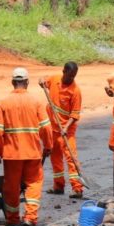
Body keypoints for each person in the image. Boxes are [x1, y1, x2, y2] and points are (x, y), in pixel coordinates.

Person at [0, 67, 53, 226]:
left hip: (11, 155)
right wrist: (48, 146)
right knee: (34, 183)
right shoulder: (37, 102)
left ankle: (12, 219)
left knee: (11, 187)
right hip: (33, 153)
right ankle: (30, 218)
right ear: (27, 82)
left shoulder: (3, 103)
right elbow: (46, 128)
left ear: (12, 82)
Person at [40, 62, 83, 199]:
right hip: (53, 129)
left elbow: (75, 115)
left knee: (71, 158)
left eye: (73, 76)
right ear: (63, 71)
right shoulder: (54, 79)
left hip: (67, 130)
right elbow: (43, 81)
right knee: (55, 158)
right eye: (69, 76)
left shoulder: (75, 91)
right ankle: (58, 186)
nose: (71, 79)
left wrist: (65, 127)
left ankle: (77, 188)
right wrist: (41, 81)